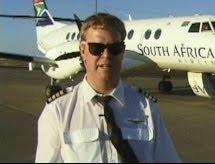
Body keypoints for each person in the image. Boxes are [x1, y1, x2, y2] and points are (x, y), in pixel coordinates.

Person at [35, 12, 181, 163]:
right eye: (96, 48)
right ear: (83, 50)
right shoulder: (58, 111)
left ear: (122, 51)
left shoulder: (147, 108)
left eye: (115, 48)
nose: (106, 55)